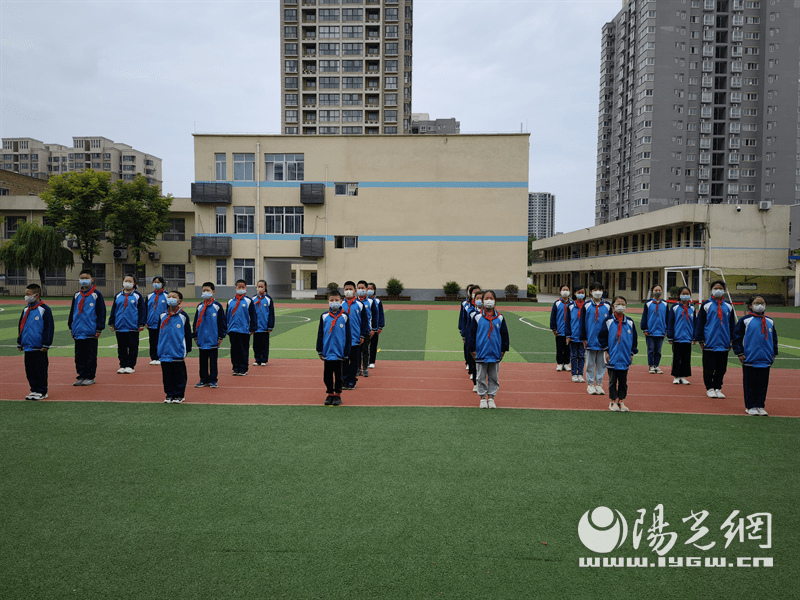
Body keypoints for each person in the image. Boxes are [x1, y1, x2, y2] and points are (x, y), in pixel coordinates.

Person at [732, 295, 779, 416]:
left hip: (765, 359)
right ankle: (750, 406)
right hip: (750, 358)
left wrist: (774, 353)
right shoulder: (745, 321)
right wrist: (740, 353)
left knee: (762, 384)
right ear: (751, 305)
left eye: (762, 303)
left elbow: (774, 339)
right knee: (750, 384)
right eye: (757, 303)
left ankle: (760, 405)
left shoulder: (770, 321)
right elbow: (737, 338)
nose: (760, 305)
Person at [694, 280, 736, 398]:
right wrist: (701, 339)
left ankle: (718, 387)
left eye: (720, 288)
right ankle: (710, 388)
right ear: (711, 290)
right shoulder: (706, 305)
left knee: (721, 368)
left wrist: (732, 339)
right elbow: (700, 323)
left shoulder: (728, 306)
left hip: (724, 342)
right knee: (709, 367)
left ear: (724, 290)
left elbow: (732, 325)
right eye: (715, 288)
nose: (718, 290)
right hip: (710, 342)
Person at [468, 290, 509, 409]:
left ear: (495, 301)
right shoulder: (477, 317)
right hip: (481, 352)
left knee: (493, 376)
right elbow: (472, 335)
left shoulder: (500, 318)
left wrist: (503, 350)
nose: (488, 300)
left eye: (491, 298)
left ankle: (491, 397)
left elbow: (504, 335)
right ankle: (482, 398)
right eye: (486, 298)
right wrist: (472, 350)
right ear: (482, 300)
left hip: (495, 352)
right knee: (480, 376)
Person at [599, 296, 638, 412]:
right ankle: (612, 401)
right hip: (612, 356)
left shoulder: (630, 322)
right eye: (618, 304)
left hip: (625, 356)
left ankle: (621, 400)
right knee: (612, 380)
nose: (620, 306)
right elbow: (602, 337)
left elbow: (634, 340)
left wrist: (631, 353)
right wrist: (606, 351)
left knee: (623, 381)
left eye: (623, 304)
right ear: (613, 306)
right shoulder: (608, 321)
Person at [67, 268, 106, 386]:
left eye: (86, 278)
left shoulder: (96, 295)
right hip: (78, 330)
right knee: (79, 355)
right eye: (82, 278)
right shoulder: (77, 295)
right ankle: (81, 375)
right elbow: (72, 311)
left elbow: (101, 312)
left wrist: (99, 328)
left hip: (90, 330)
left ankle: (90, 376)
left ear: (92, 279)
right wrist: (71, 327)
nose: (84, 280)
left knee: (90, 355)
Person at [17, 283, 54, 401]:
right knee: (30, 370)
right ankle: (34, 389)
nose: (26, 296)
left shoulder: (44, 309)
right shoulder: (26, 309)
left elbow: (49, 327)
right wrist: (20, 341)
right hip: (28, 345)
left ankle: (42, 391)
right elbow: (21, 326)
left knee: (40, 370)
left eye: (28, 294)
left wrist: (46, 344)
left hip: (39, 347)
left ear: (36, 295)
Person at [316, 289, 352, 406]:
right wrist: (320, 349)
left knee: (338, 376)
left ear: (341, 301)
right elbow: (320, 333)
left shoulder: (345, 317)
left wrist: (347, 351)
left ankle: (337, 394)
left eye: (336, 300)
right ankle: (330, 393)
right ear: (328, 302)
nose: (334, 302)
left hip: (339, 352)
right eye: (332, 300)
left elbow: (348, 335)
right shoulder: (324, 316)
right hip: (327, 351)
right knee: (327, 375)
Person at [158, 291, 193, 403]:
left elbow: (188, 334)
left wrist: (187, 349)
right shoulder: (162, 315)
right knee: (167, 375)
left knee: (179, 374)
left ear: (180, 301)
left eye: (174, 297)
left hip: (177, 350)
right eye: (169, 297)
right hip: (164, 351)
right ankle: (169, 394)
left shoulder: (183, 316)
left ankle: (179, 394)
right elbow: (158, 334)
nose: (171, 298)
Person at [108, 275, 146, 374]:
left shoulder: (137, 296)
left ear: (134, 283)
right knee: (121, 347)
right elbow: (114, 310)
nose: (127, 282)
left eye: (130, 281)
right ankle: (123, 364)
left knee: (133, 347)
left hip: (132, 327)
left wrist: (141, 324)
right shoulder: (118, 296)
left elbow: (142, 311)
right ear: (123, 282)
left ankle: (130, 365)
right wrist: (112, 322)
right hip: (120, 326)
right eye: (126, 280)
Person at [579, 282, 612, 395]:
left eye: (600, 289)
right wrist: (584, 337)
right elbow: (582, 322)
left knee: (602, 363)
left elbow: (611, 324)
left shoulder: (607, 306)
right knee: (590, 363)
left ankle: (599, 384)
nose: (598, 292)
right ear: (591, 291)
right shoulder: (586, 305)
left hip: (603, 341)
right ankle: (590, 384)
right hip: (590, 339)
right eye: (595, 289)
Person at [192, 282, 227, 388]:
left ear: (213, 292)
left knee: (212, 361)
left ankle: (213, 380)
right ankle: (203, 379)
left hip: (213, 338)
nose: (205, 292)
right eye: (204, 291)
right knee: (202, 361)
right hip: (202, 338)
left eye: (208, 290)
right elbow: (195, 322)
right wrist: (195, 335)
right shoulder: (200, 306)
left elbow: (221, 322)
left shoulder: (217, 306)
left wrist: (220, 336)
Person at [341, 280, 369, 390]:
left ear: (355, 291)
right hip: (342, 340)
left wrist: (363, 335)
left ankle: (352, 381)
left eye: (350, 289)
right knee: (343, 361)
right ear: (343, 291)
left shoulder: (360, 305)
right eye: (346, 289)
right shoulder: (340, 305)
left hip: (355, 339)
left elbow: (365, 322)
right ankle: (344, 380)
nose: (348, 291)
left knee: (354, 361)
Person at [227, 279, 257, 376]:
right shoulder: (230, 301)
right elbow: (226, 316)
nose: (241, 289)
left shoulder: (249, 301)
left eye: (242, 287)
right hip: (232, 330)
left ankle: (243, 368)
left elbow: (253, 315)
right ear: (235, 288)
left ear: (246, 288)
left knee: (243, 349)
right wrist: (226, 328)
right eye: (239, 287)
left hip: (244, 330)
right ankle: (236, 368)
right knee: (234, 350)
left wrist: (252, 328)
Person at [666, 286, 695, 385]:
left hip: (688, 338)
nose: (685, 295)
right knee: (677, 357)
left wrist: (694, 336)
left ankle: (683, 376)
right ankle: (676, 376)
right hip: (677, 337)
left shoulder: (692, 308)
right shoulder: (674, 308)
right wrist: (670, 336)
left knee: (686, 358)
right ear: (679, 295)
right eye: (683, 293)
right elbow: (670, 322)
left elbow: (695, 323)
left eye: (687, 294)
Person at [641, 285, 667, 374]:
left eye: (659, 290)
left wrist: (667, 329)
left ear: (662, 291)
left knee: (658, 350)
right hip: (650, 331)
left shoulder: (665, 304)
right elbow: (644, 316)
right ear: (652, 292)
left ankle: (657, 365)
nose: (658, 291)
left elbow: (667, 317)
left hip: (661, 331)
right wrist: (645, 328)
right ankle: (651, 366)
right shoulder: (648, 303)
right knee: (651, 350)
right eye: (656, 290)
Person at [465, 290, 485, 391]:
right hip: (474, 340)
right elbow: (468, 326)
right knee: (474, 361)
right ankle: (476, 383)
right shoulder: (472, 312)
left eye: (482, 299)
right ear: (474, 299)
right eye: (477, 298)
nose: (480, 301)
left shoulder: (491, 314)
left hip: (485, 342)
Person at [145, 276, 168, 365]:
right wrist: (145, 321)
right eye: (155, 282)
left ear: (162, 284)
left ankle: (162, 356)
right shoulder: (149, 296)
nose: (156, 284)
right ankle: (154, 357)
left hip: (163, 323)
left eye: (158, 282)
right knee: (152, 341)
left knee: (162, 340)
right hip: (151, 322)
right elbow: (145, 309)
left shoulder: (167, 296)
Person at [566, 286, 586, 383]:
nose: (581, 294)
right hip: (573, 336)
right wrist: (568, 335)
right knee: (574, 356)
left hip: (583, 337)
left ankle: (580, 374)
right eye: (579, 292)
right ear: (575, 293)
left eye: (583, 292)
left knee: (582, 356)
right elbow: (568, 322)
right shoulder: (570, 306)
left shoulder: (587, 306)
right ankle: (574, 373)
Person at [252, 280, 275, 366]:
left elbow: (271, 313)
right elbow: (251, 313)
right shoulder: (253, 299)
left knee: (264, 344)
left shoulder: (268, 299)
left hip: (264, 326)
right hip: (256, 327)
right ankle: (257, 359)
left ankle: (264, 360)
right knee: (256, 344)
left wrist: (270, 325)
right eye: (258, 286)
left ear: (265, 287)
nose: (260, 288)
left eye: (262, 286)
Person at [356, 280, 376, 378]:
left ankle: (365, 369)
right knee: (357, 351)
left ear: (366, 289)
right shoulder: (354, 302)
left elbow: (375, 316)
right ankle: (357, 369)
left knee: (365, 350)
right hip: (356, 330)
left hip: (367, 329)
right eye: (359, 288)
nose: (361, 290)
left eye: (362, 288)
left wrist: (374, 329)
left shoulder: (371, 301)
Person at [550, 284, 571, 372]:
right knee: (559, 347)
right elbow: (553, 316)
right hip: (559, 330)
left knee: (567, 348)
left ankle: (566, 363)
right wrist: (554, 328)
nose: (565, 291)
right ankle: (559, 363)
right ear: (560, 292)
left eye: (567, 289)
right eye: (563, 289)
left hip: (569, 331)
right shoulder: (557, 303)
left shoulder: (572, 303)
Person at [367, 282, 385, 369]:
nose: (369, 290)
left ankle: (372, 362)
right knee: (364, 346)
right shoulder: (364, 301)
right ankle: (364, 361)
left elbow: (381, 314)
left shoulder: (378, 301)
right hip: (366, 327)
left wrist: (380, 326)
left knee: (373, 345)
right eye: (367, 289)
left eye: (371, 289)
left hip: (375, 328)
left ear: (374, 290)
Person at [459, 285, 477, 372]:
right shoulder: (465, 304)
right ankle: (469, 363)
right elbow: (463, 318)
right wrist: (462, 330)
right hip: (468, 330)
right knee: (468, 348)